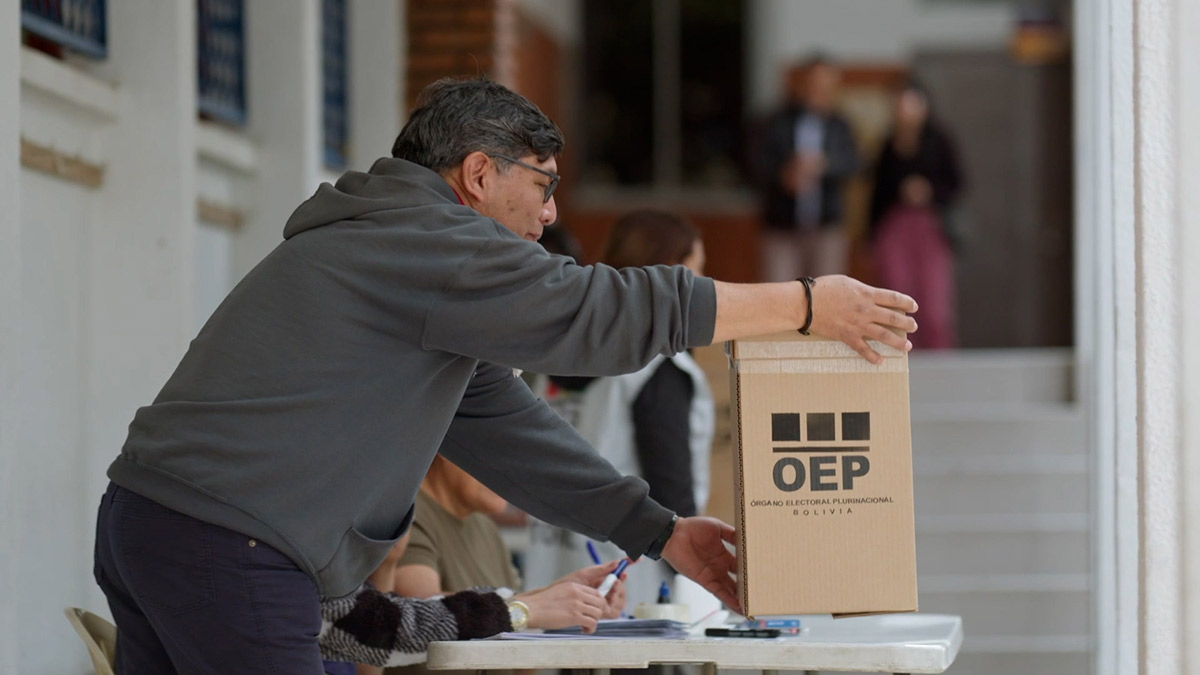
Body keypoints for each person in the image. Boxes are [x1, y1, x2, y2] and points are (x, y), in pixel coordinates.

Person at [92, 76, 918, 674]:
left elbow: (508, 428)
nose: (552, 214)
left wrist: (659, 531)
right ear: (480, 175)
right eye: (543, 184)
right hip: (233, 543)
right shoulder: (428, 241)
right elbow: (594, 312)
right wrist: (804, 304)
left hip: (153, 521)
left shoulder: (398, 253)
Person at [524, 210, 714, 610]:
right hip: (634, 592)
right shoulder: (657, 370)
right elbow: (673, 494)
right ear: (673, 276)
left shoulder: (550, 355)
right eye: (697, 272)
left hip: (552, 579)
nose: (704, 287)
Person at [387, 455, 627, 675]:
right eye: (497, 451)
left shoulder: (485, 528)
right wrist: (539, 607)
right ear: (447, 449)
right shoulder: (405, 515)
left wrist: (564, 603)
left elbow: (520, 654)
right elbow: (422, 614)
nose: (512, 473)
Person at [868, 79, 964, 350]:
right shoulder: (888, 145)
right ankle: (902, 356)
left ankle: (940, 361)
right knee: (897, 293)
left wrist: (928, 191)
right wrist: (870, 236)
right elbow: (877, 193)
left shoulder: (939, 141)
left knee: (934, 303)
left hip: (931, 225)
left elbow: (956, 183)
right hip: (895, 226)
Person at [751, 55, 862, 281]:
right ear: (802, 84)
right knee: (780, 292)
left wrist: (824, 164)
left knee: (827, 293)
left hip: (826, 227)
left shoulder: (840, 125)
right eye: (814, 83)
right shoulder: (774, 121)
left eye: (826, 84)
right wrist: (784, 175)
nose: (819, 90)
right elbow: (756, 163)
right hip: (781, 226)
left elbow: (855, 163)